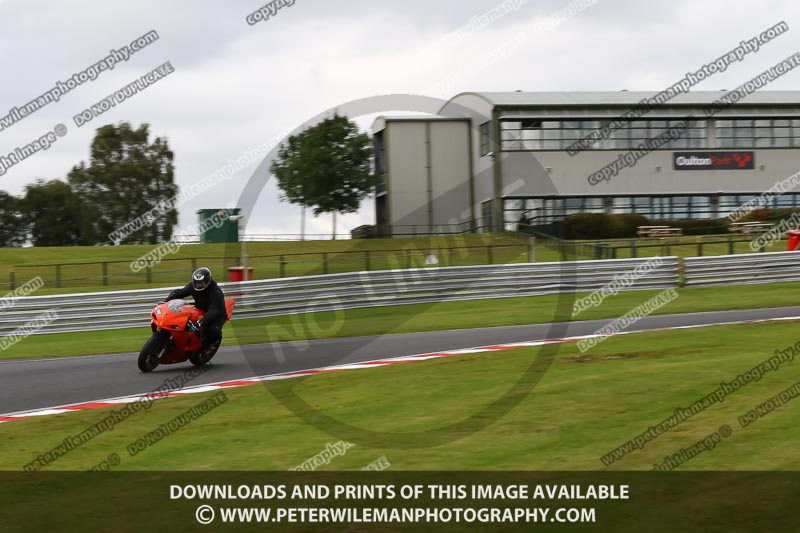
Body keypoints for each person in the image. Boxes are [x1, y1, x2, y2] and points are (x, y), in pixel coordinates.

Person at [164, 267, 227, 356]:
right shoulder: (192, 287)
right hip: (200, 309)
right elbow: (181, 292)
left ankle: (210, 345)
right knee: (185, 319)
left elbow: (214, 310)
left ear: (208, 281)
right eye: (196, 283)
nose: (198, 285)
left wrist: (201, 323)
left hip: (217, 313)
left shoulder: (215, 292)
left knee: (213, 329)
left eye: (201, 283)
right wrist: (166, 301)